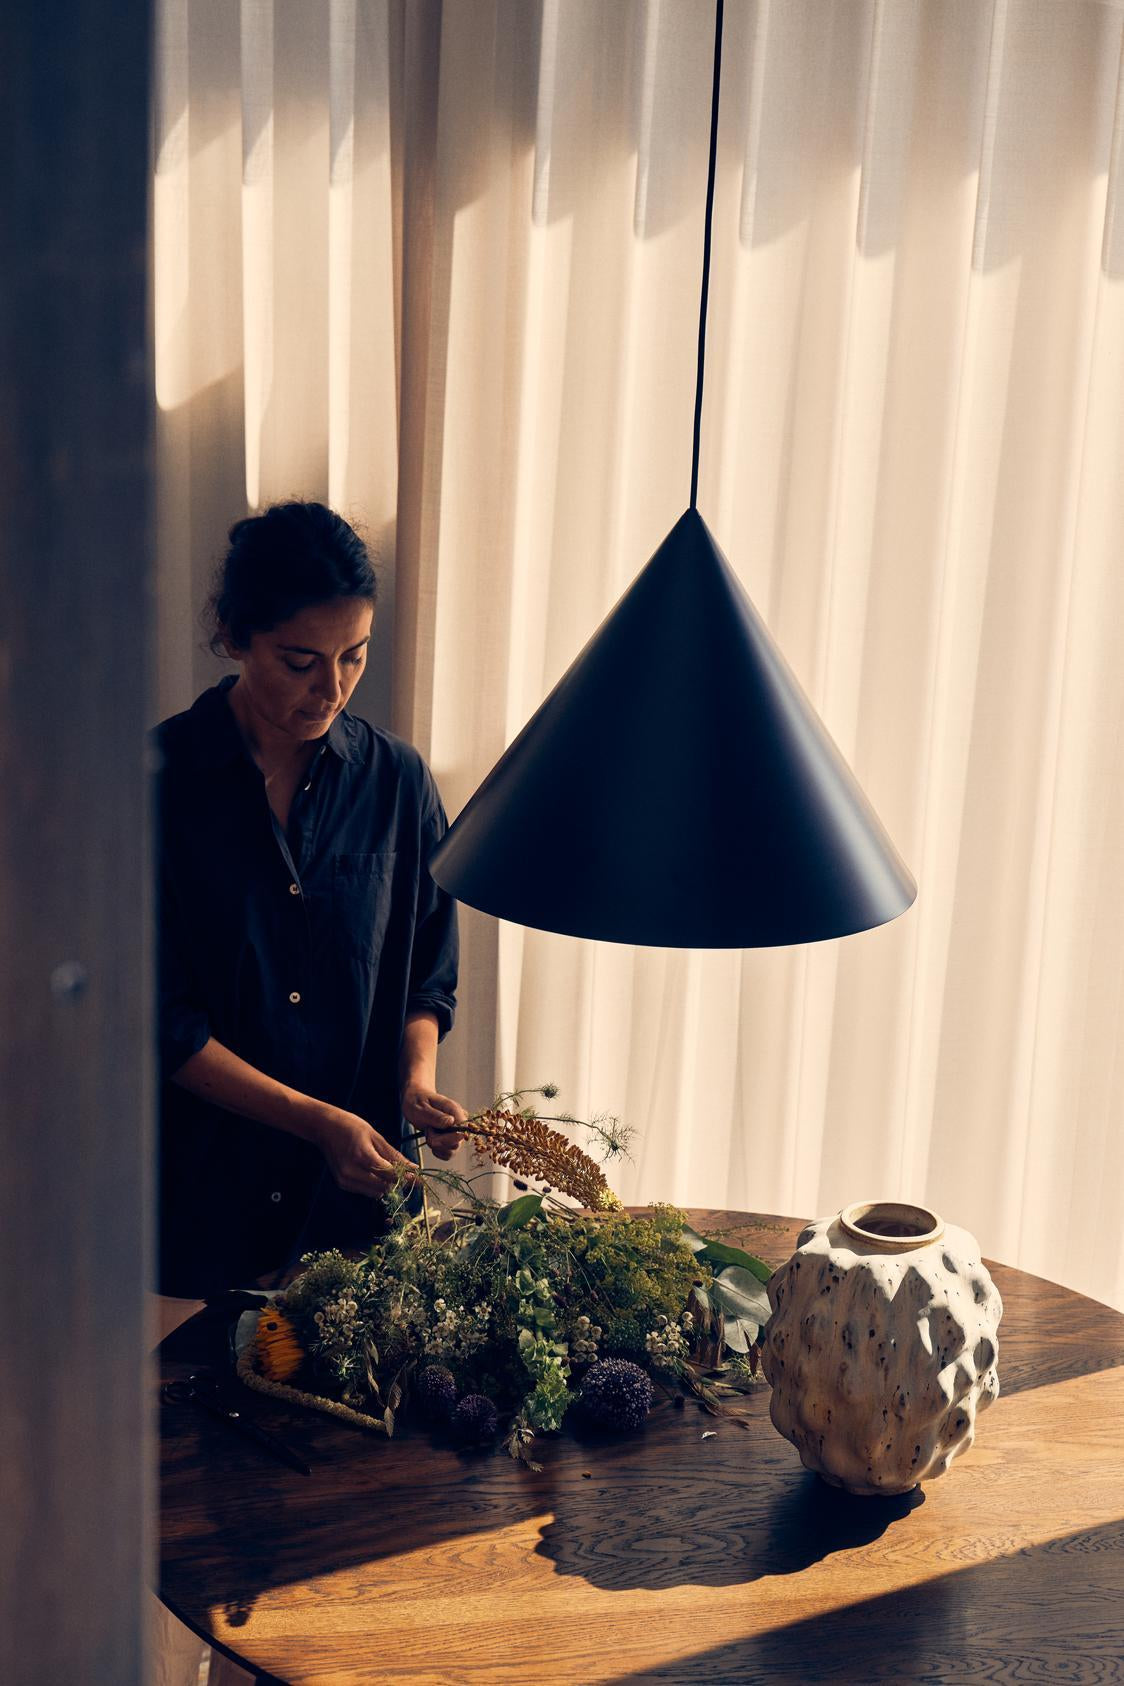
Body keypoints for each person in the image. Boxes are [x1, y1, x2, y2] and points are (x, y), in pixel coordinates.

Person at [154, 500, 467, 1297]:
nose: (331, 689)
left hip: (357, 1217)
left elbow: (426, 972)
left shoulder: (397, 783)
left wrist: (415, 1082)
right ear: (234, 635)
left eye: (353, 657)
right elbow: (158, 1023)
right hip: (202, 1211)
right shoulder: (155, 784)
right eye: (300, 662)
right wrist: (317, 1121)